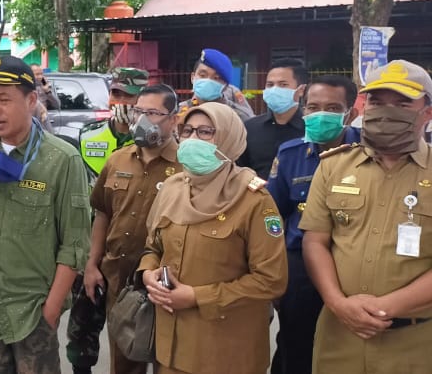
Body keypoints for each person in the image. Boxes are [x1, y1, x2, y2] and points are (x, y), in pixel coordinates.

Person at [0, 55, 91, 374]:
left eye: (4, 99)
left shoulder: (62, 159)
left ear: (32, 99)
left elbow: (75, 245)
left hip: (32, 313)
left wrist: (51, 310)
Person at [301, 60, 432, 373]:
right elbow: (315, 241)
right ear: (364, 106)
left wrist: (386, 308)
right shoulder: (333, 166)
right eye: (376, 101)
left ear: (427, 113)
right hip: (340, 334)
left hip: (416, 341)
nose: (387, 112)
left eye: (402, 103)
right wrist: (338, 304)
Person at [139, 102, 287, 374]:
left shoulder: (254, 200)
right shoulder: (173, 188)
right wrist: (148, 272)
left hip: (226, 353)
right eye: (188, 131)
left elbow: (271, 280)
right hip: (170, 348)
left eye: (206, 132)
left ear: (228, 138)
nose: (193, 139)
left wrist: (197, 297)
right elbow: (153, 246)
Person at [69, 83, 181, 374]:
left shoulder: (185, 166)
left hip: (166, 281)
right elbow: (103, 214)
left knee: (168, 360)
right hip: (119, 277)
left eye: (154, 113)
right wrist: (93, 265)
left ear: (173, 119)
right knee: (124, 361)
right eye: (140, 111)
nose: (143, 120)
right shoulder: (118, 159)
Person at [266, 75, 360, 374]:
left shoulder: (367, 153)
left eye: (332, 107)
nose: (320, 114)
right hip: (299, 266)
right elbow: (272, 215)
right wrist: (276, 267)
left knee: (348, 344)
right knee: (295, 343)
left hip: (350, 263)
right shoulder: (290, 154)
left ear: (351, 113)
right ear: (303, 110)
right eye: (313, 106)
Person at [237, 59, 307, 178]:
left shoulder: (310, 128)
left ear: (301, 90)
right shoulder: (250, 128)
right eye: (270, 85)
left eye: (283, 85)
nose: (274, 90)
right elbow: (240, 170)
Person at [78, 68, 149, 177]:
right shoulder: (88, 134)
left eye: (129, 95)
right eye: (116, 94)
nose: (121, 101)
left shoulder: (152, 138)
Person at [177, 48, 254, 121]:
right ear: (192, 77)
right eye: (203, 75)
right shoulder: (179, 112)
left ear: (226, 86)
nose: (208, 80)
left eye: (216, 78)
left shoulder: (238, 117)